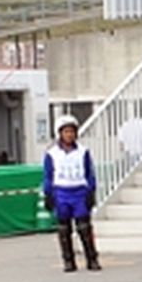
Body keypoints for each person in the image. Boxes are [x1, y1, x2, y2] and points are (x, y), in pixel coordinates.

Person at [43, 114, 101, 273]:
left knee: (84, 227)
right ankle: (68, 261)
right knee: (63, 228)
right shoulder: (52, 153)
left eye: (72, 131)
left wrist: (91, 191)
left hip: (79, 191)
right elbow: (48, 175)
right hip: (61, 191)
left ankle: (92, 259)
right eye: (66, 132)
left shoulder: (83, 152)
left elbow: (90, 172)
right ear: (59, 133)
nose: (69, 135)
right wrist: (48, 194)